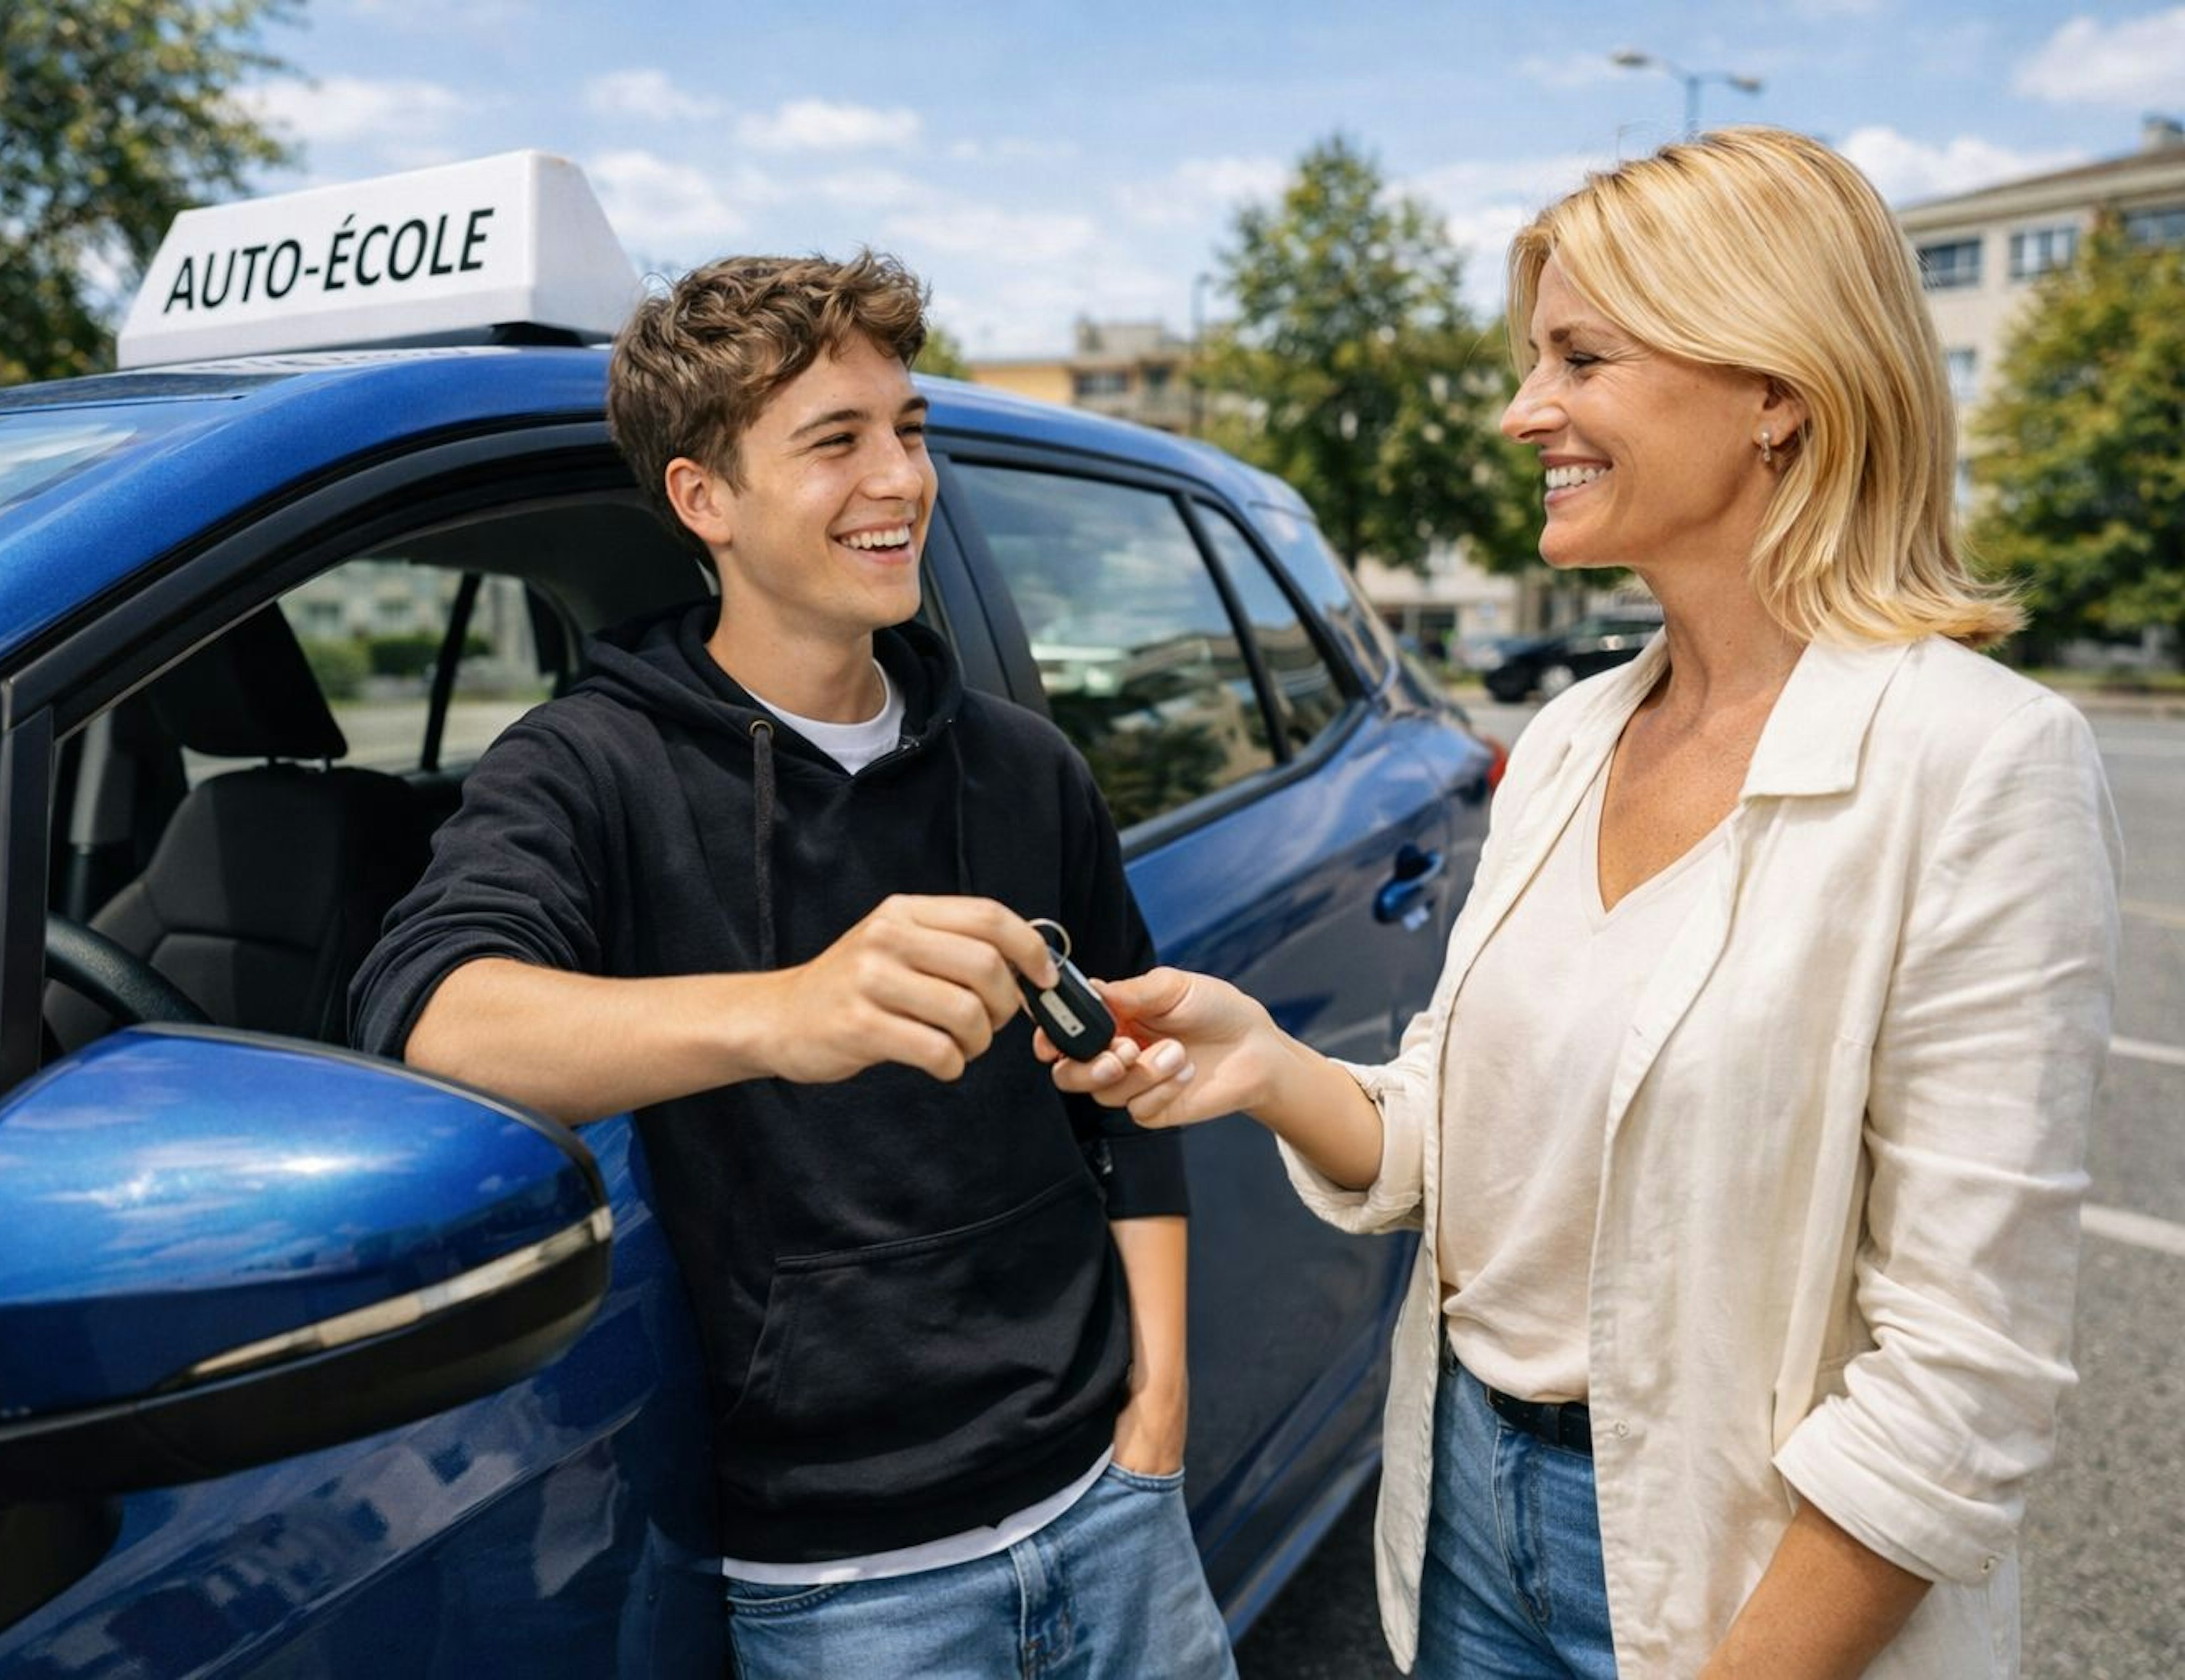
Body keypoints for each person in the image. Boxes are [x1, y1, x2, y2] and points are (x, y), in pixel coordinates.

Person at [1047, 128, 2119, 1680]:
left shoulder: (1981, 761)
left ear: (1778, 390)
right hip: (1467, 1511)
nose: (1521, 407)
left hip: (1742, 1582)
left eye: (1581, 355)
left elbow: (1963, 1377)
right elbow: (1472, 1142)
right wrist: (1263, 1063)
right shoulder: (1571, 734)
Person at [349, 251, 1236, 1679]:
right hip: (847, 1589)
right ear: (705, 500)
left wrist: (1164, 1400)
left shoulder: (1024, 764)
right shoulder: (590, 767)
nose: (902, 478)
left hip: (1113, 1505)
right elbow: (436, 1018)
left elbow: (1132, 1090)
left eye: (910, 430)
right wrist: (783, 1011)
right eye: (837, 442)